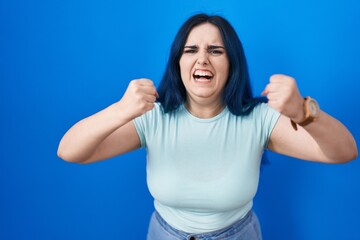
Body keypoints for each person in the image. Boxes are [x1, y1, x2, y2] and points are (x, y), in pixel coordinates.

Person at [57, 13, 358, 240]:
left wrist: (304, 112)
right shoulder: (153, 117)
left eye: (216, 50)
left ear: (232, 64)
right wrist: (120, 110)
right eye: (191, 50)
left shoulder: (259, 119)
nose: (203, 59)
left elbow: (344, 152)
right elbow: (69, 151)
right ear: (178, 63)